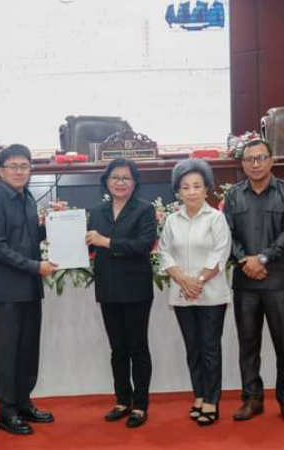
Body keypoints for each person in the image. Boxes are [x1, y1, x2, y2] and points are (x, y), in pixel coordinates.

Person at [223, 139, 284, 425]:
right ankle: (252, 399)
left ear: (271, 160)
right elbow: (226, 235)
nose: (255, 164)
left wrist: (263, 259)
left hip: (278, 281)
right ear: (242, 164)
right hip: (245, 283)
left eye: (260, 158)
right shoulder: (233, 195)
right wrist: (246, 261)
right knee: (248, 345)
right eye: (249, 159)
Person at [0, 144, 58, 435]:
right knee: (8, 352)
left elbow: (30, 237)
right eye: (13, 166)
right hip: (6, 291)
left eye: (24, 166)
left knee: (28, 350)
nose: (19, 171)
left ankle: (24, 403)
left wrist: (56, 224)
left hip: (29, 287)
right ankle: (7, 412)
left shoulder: (27, 199)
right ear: (0, 171)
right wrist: (36, 267)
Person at [158, 159, 231, 427]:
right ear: (177, 191)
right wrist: (183, 280)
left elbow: (220, 253)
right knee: (193, 348)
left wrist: (197, 282)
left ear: (206, 189)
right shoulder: (172, 220)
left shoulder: (216, 218)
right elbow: (164, 252)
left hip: (211, 293)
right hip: (182, 293)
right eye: (185, 187)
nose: (191, 191)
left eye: (197, 186)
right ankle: (199, 394)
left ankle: (212, 399)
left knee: (209, 347)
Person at [86, 159, 157, 428]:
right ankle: (122, 400)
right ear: (106, 181)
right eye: (115, 177)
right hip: (108, 287)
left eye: (125, 178)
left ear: (134, 182)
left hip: (136, 288)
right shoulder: (97, 212)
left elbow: (144, 245)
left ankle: (140, 404)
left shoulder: (144, 210)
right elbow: (88, 246)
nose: (120, 182)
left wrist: (107, 242)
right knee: (117, 348)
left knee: (138, 347)